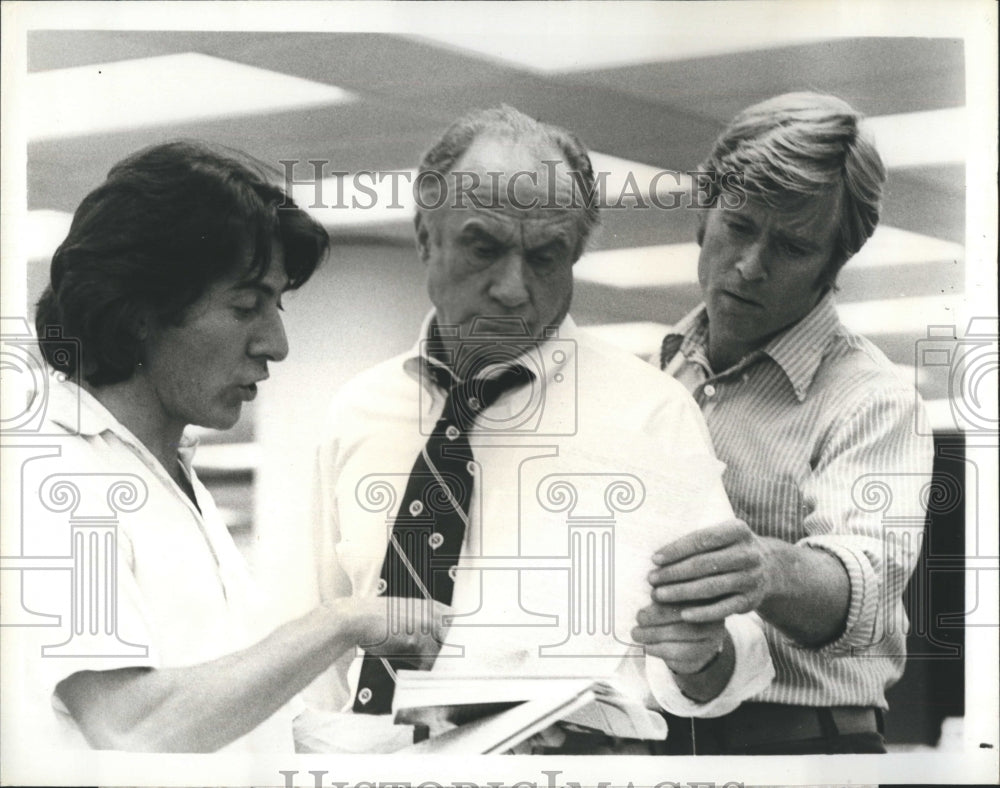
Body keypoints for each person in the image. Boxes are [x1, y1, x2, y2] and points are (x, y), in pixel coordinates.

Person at [310, 106, 775, 754]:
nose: (511, 288)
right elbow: (324, 646)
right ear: (425, 238)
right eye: (484, 246)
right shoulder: (357, 412)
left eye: (545, 256)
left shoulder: (652, 414)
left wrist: (705, 655)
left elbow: (732, 658)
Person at [8, 141, 445, 754]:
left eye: (277, 305)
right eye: (246, 307)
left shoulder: (170, 478)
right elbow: (132, 727)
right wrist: (339, 622)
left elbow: (262, 737)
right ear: (141, 311)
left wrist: (457, 744)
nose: (277, 343)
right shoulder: (47, 474)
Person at [648, 92, 935, 754]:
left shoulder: (874, 399)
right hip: (660, 738)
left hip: (806, 747)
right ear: (705, 213)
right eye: (739, 226)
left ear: (834, 266)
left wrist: (768, 570)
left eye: (793, 246)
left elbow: (862, 585)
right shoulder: (662, 375)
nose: (751, 265)